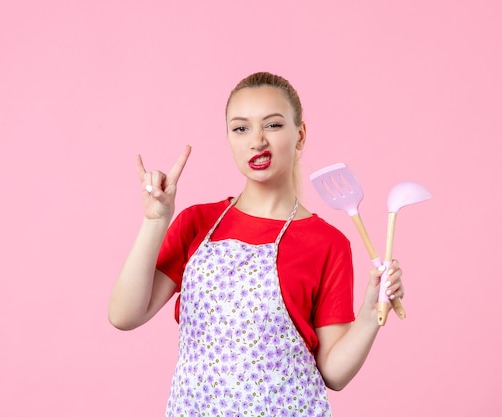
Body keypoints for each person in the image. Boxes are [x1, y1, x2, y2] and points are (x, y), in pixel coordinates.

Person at [108, 72, 405, 416]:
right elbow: (124, 315)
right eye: (241, 128)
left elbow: (333, 373)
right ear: (229, 139)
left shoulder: (327, 243)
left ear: (300, 135)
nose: (257, 141)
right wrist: (155, 221)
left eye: (273, 125)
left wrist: (370, 314)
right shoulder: (197, 223)